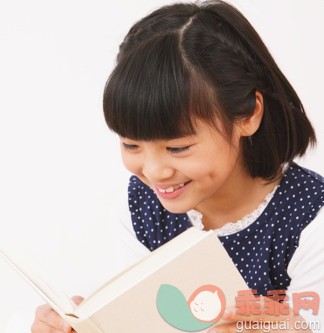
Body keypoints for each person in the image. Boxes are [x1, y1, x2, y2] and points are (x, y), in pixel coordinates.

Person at [31, 0, 324, 332]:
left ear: (248, 115)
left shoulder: (309, 221)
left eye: (177, 147)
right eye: (131, 145)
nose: (154, 172)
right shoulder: (141, 209)